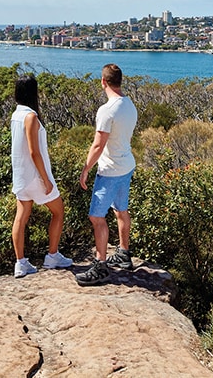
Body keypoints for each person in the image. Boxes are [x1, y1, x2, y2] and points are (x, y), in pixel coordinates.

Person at [75, 63, 139, 286]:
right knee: (121, 209)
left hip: (110, 171)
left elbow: (97, 145)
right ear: (119, 81)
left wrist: (85, 169)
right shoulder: (129, 105)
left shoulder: (107, 110)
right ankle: (123, 253)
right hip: (126, 166)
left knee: (96, 216)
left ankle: (100, 265)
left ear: (103, 82)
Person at [10, 74, 73, 277]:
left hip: (20, 177)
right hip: (35, 177)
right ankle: (52, 256)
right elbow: (34, 152)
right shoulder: (31, 117)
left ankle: (20, 263)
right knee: (58, 211)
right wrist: (46, 179)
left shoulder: (16, 115)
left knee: (21, 217)